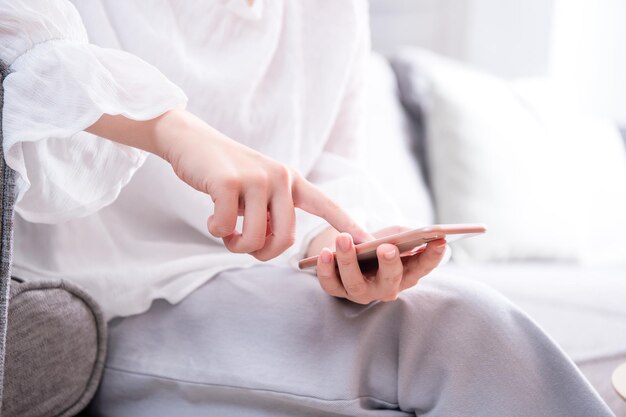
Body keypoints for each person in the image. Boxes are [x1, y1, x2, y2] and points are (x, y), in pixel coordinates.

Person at [0, 1, 614, 416]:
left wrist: (344, 249)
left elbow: (332, 169)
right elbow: (25, 60)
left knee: (447, 320)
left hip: (266, 285)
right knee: (461, 330)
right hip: (120, 298)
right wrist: (172, 131)